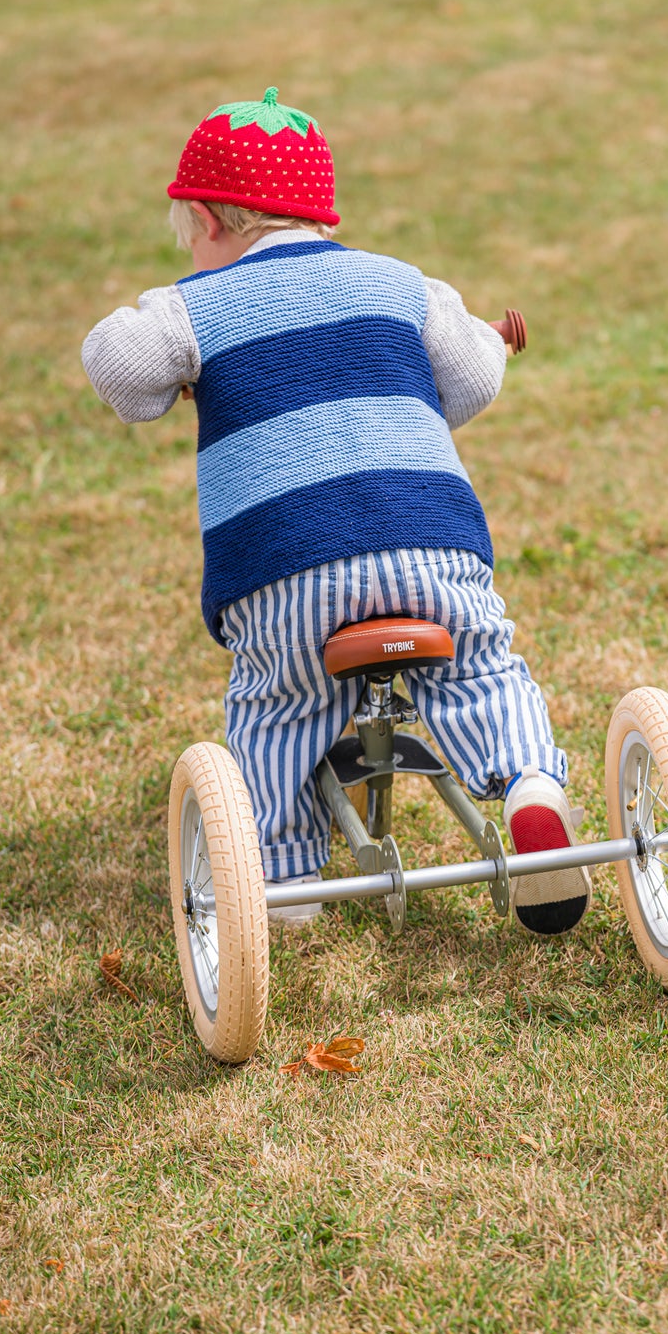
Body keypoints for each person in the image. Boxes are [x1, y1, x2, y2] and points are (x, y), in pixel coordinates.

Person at [81, 87, 589, 935]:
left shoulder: (196, 306)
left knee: (276, 704)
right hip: (434, 552)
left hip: (288, 568)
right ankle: (531, 784)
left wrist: (165, 331)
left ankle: (281, 880)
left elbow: (120, 373)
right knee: (480, 668)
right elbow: (467, 382)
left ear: (206, 220)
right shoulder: (399, 284)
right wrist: (475, 340)